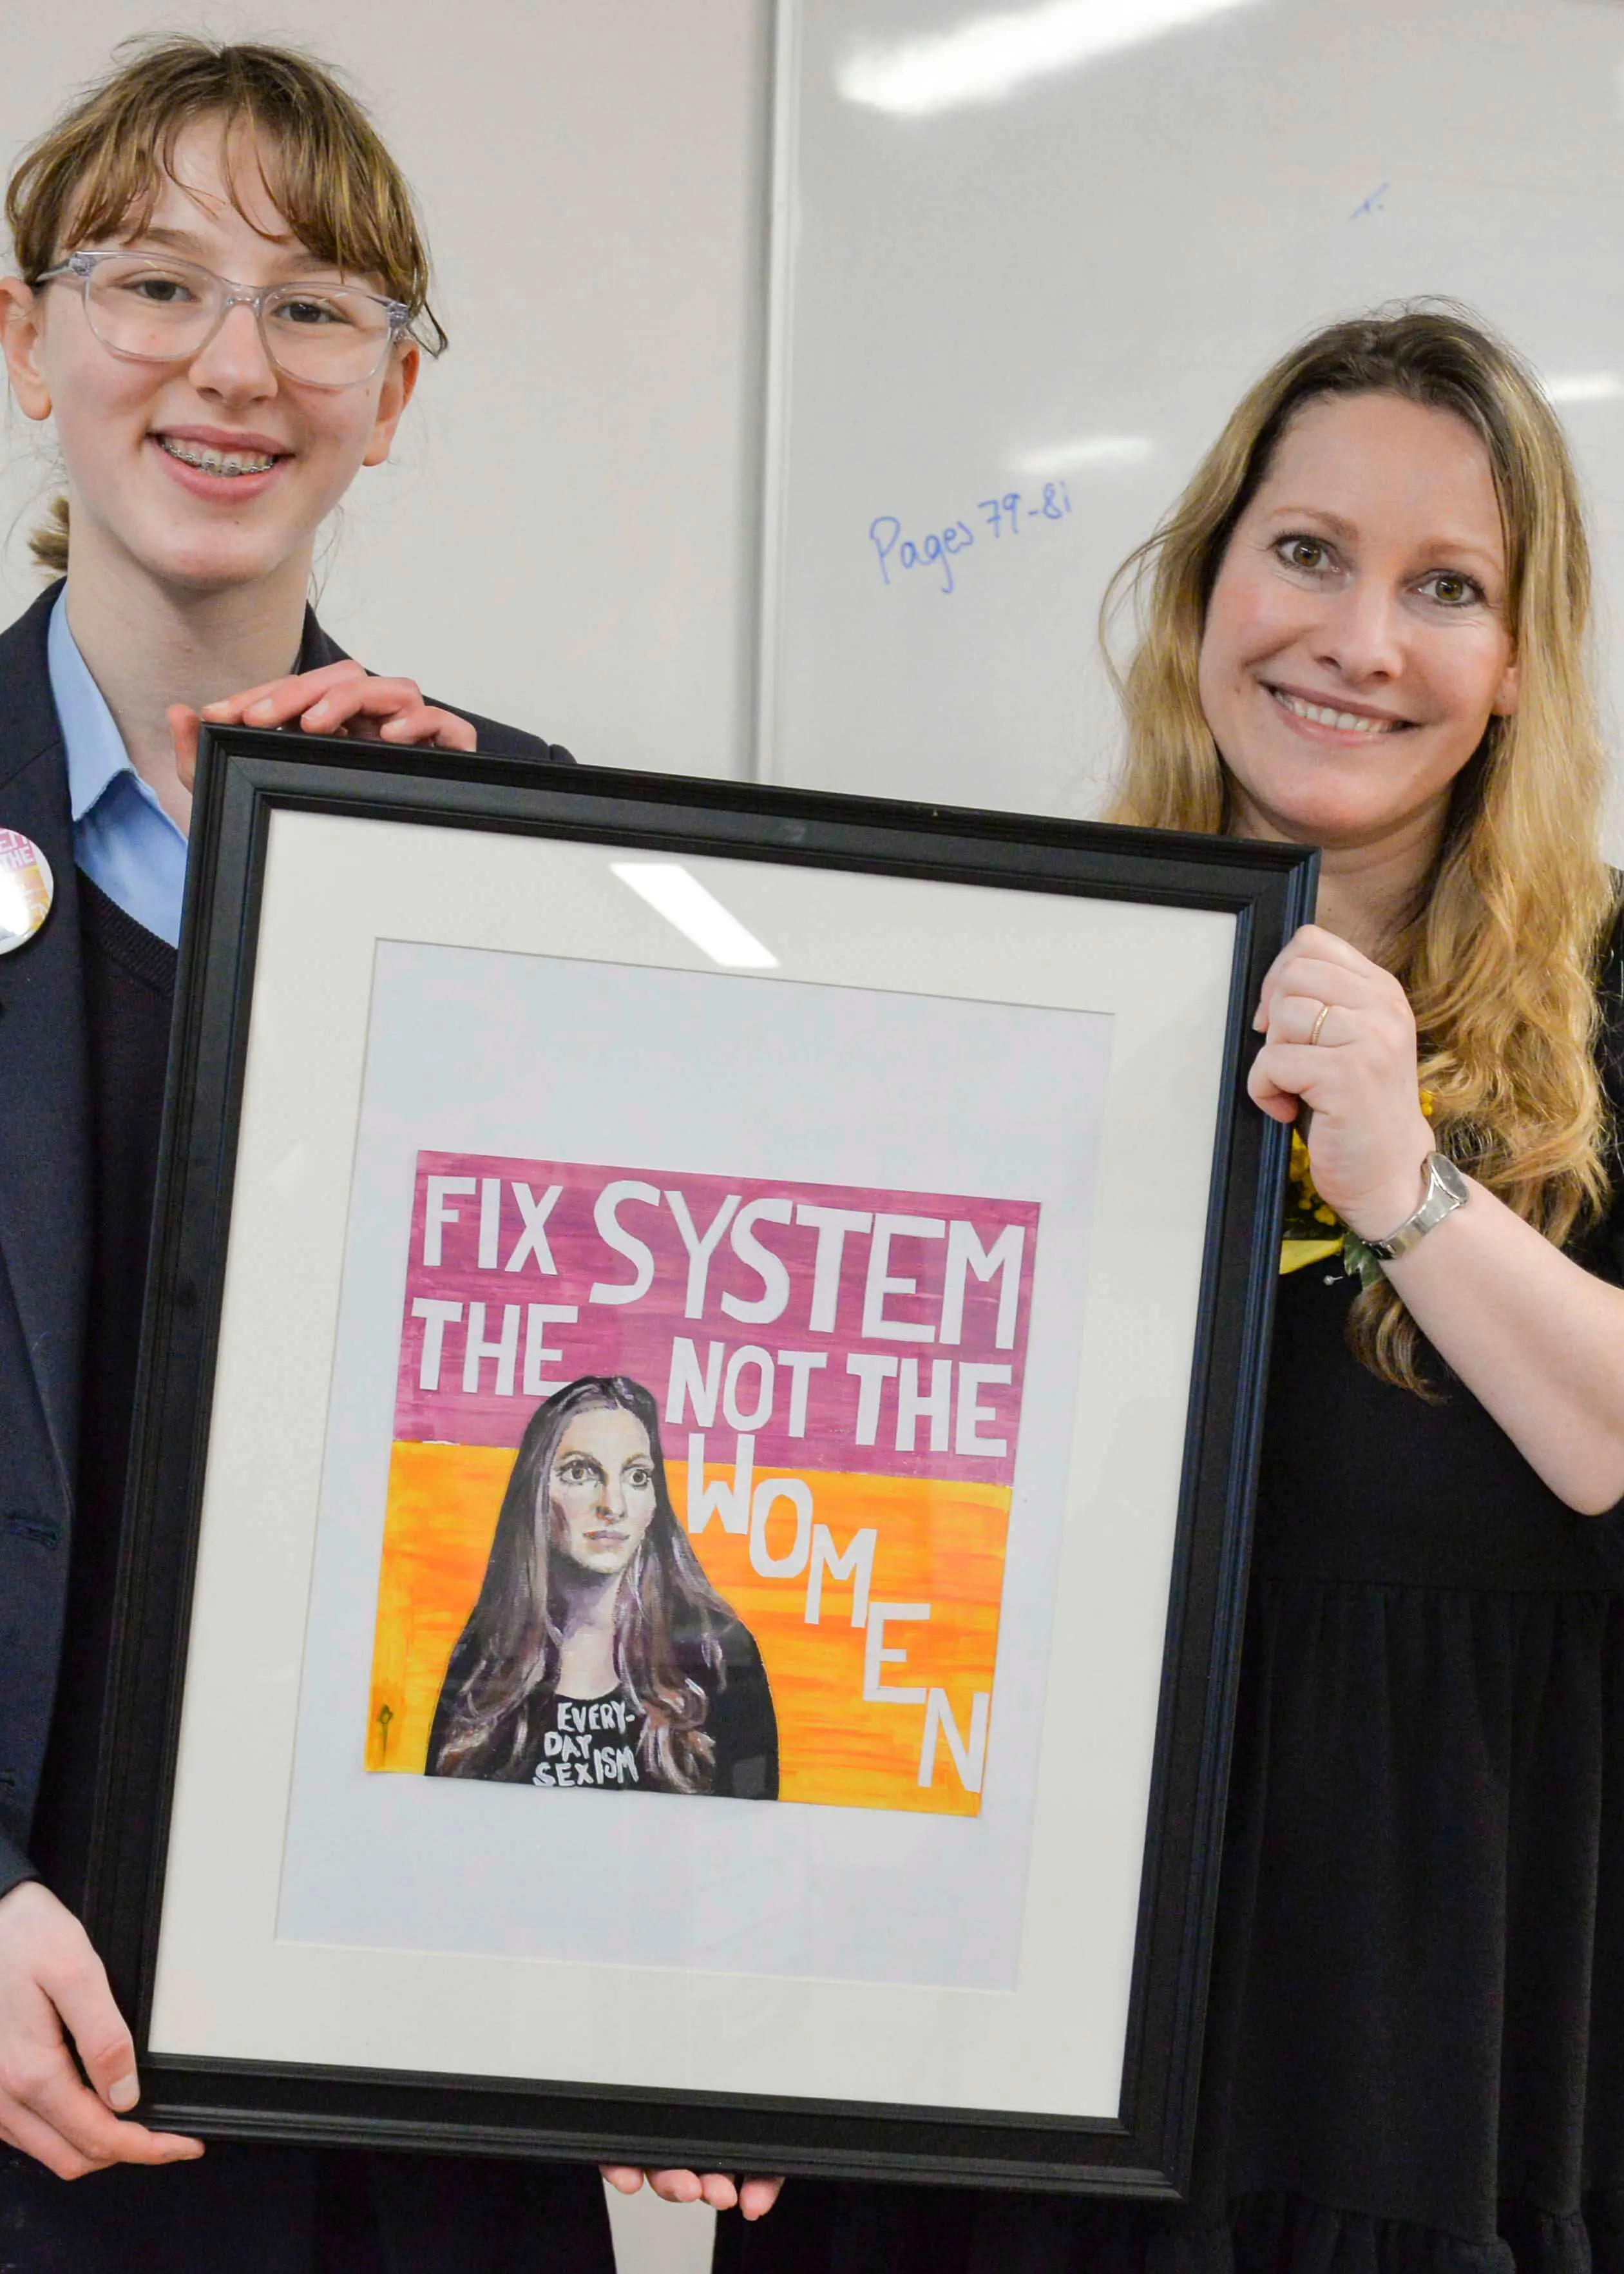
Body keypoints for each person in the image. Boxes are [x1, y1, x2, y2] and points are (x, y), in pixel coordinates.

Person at [707, 306, 1624, 2269]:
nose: (1357, 640)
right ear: (1205, 578)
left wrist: (1407, 1182)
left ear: (1521, 661)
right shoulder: (1014, 969)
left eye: (1442, 586)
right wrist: (734, 2007)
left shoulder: (1611, 1003)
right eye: (1303, 551)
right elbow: (839, 1539)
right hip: (1005, 2069)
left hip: (1408, 2069)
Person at [0, 36, 618, 2270]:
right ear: (25, 341)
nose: (230, 366)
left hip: (417, 2072)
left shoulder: (541, 836)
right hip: (26, 2029)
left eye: (317, 307)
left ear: (396, 392)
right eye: (153, 283)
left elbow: (673, 1413)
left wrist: (503, 913)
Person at [428, 1374, 779, 1798]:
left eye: (635, 1476)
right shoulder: (483, 1657)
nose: (613, 1505)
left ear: (654, 1501)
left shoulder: (718, 1654)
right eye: (580, 1472)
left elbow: (755, 1833)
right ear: (536, 1492)